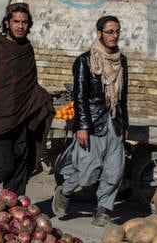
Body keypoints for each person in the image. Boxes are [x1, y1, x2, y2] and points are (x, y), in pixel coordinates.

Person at [52, 15, 129, 227]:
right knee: (88, 171)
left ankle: (103, 210)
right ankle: (65, 191)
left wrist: (125, 124)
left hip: (114, 123)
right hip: (93, 124)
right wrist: (82, 126)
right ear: (99, 33)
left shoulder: (121, 60)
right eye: (110, 32)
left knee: (115, 170)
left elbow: (123, 96)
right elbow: (80, 97)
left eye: (117, 31)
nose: (114, 36)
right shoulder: (85, 61)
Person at [0, 2, 53, 196]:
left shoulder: (27, 49)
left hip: (21, 116)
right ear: (7, 23)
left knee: (21, 164)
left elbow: (30, 82)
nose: (20, 26)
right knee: (2, 167)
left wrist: (42, 98)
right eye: (16, 21)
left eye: (24, 22)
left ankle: (12, 208)